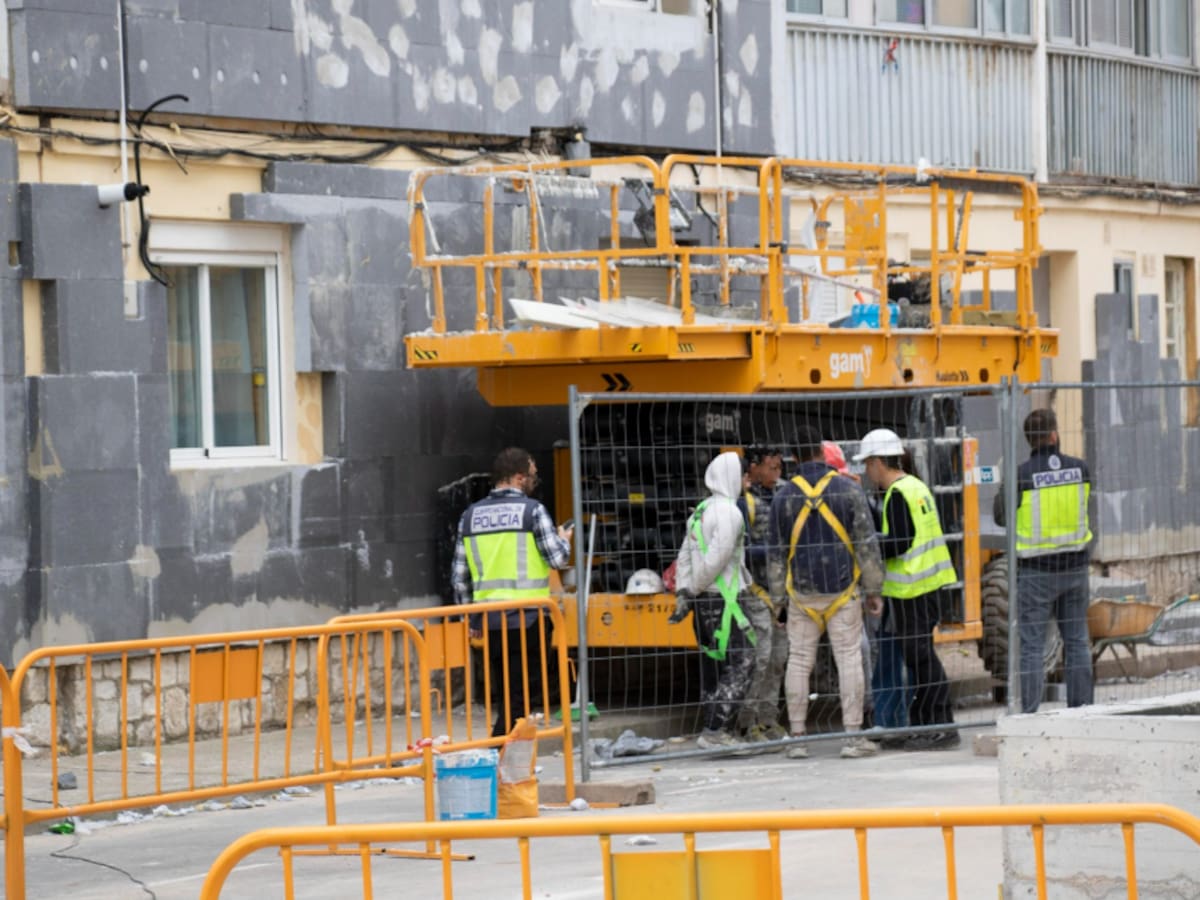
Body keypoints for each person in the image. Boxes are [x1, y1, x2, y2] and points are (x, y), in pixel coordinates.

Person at [768, 426, 884, 760]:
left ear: (794, 456)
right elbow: (865, 542)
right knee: (849, 660)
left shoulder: (783, 496)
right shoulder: (848, 490)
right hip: (843, 591)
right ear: (820, 450)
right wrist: (873, 589)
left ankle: (798, 738)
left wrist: (778, 602)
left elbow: (776, 554)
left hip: (801, 595)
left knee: (799, 661)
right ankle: (851, 738)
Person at [452, 447, 573, 737]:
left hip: (490, 620)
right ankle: (500, 750)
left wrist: (469, 618)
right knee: (523, 694)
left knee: (507, 689)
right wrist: (563, 539)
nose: (535, 480)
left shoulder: (470, 516)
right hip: (527, 617)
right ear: (519, 478)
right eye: (533, 475)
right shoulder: (532, 512)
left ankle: (508, 755)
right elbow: (557, 559)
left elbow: (459, 577)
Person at [854, 428, 960, 750]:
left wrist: (868, 548)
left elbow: (901, 541)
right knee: (921, 658)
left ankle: (939, 724)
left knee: (921, 659)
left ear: (876, 462)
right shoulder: (916, 486)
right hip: (926, 587)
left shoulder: (898, 492)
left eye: (867, 464)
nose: (867, 472)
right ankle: (929, 722)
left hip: (913, 590)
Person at [993, 408, 1094, 713]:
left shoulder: (1021, 475)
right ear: (1054, 434)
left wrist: (1005, 485)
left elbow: (1000, 517)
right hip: (1075, 569)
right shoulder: (1080, 469)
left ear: (1030, 440)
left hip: (1037, 573)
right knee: (1076, 642)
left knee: (1032, 646)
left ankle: (1030, 713)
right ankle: (1083, 710)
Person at [668, 451, 758, 751]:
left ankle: (715, 728)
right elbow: (715, 560)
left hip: (704, 602)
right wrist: (692, 588)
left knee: (714, 665)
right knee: (744, 659)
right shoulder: (730, 513)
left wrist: (684, 592)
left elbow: (684, 555)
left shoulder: (701, 510)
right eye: (743, 475)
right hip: (725, 599)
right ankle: (716, 730)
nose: (746, 481)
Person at [736, 447, 789, 745]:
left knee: (779, 657)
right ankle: (747, 721)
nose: (776, 474)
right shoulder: (744, 503)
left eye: (779, 468)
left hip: (779, 592)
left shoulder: (779, 497)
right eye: (771, 467)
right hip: (754, 591)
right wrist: (773, 552)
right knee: (761, 655)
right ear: (754, 467)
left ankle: (769, 717)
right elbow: (740, 550)